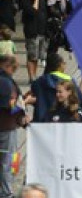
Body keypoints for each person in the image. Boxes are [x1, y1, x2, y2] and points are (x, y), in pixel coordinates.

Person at [0, 54, 30, 198]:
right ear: (7, 66)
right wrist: (22, 110)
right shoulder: (6, 82)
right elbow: (10, 105)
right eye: (14, 69)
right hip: (7, 127)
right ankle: (7, 192)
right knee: (11, 160)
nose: (14, 71)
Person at [21, 0, 48, 83]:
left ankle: (34, 76)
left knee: (36, 57)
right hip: (31, 33)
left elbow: (43, 14)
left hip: (41, 32)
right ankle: (31, 77)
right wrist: (35, 0)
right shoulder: (26, 0)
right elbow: (33, 12)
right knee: (32, 57)